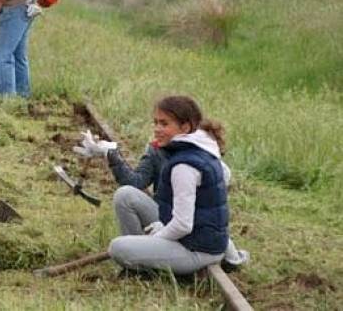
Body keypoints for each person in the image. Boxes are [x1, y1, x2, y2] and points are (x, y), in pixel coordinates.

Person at [80, 96, 246, 275]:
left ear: (185, 127)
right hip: (192, 234)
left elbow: (184, 225)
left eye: (164, 124)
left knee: (117, 247)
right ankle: (145, 256)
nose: (157, 129)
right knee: (125, 195)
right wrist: (110, 154)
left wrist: (159, 235)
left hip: (196, 248)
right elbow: (137, 183)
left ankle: (143, 262)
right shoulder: (198, 150)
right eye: (156, 123)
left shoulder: (185, 165)